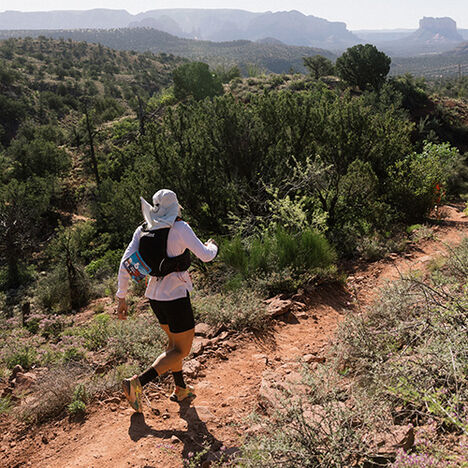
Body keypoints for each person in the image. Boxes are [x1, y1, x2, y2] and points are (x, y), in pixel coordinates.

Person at [116, 189, 218, 412]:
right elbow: (206, 255)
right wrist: (213, 245)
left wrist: (121, 297)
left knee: (172, 344)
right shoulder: (180, 228)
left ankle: (181, 389)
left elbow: (126, 264)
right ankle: (137, 384)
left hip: (154, 296)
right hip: (176, 297)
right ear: (175, 206)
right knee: (181, 350)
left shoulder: (142, 230)